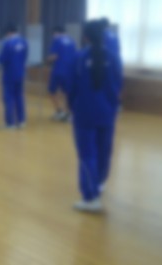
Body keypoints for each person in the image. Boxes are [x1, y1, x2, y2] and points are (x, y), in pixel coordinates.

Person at [68, 20, 122, 213]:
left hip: (85, 113)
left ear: (85, 37)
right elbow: (118, 85)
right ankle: (99, 183)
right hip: (107, 112)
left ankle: (91, 197)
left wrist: (72, 106)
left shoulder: (79, 57)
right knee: (104, 151)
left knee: (87, 154)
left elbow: (71, 87)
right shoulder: (113, 57)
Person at [0, 24, 29, 129]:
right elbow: (25, 57)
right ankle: (21, 121)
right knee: (19, 96)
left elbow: (2, 59)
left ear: (8, 33)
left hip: (9, 73)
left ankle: (10, 123)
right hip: (20, 73)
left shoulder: (8, 43)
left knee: (8, 98)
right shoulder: (24, 42)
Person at [47, 25, 77, 122]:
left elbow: (54, 56)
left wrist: (47, 59)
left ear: (56, 32)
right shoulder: (72, 41)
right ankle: (69, 113)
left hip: (59, 70)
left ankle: (59, 111)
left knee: (52, 90)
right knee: (67, 92)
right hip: (70, 70)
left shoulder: (57, 40)